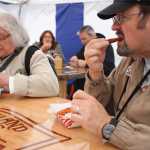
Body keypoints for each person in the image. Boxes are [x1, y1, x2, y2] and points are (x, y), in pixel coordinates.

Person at [70, 0, 150, 150]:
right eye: (115, 19)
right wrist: (95, 71)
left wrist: (106, 125)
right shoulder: (130, 61)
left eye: (121, 18)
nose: (114, 27)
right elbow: (103, 102)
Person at [0, 12, 59, 97]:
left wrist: (9, 82)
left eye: (0, 37)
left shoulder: (30, 54)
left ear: (15, 34)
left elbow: (52, 85)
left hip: (26, 109)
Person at [67, 25, 115, 101]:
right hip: (85, 81)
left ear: (93, 35)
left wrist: (86, 64)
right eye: (81, 40)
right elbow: (78, 55)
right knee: (68, 87)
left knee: (72, 89)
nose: (82, 42)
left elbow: (109, 69)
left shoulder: (106, 46)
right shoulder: (87, 45)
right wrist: (75, 57)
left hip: (104, 86)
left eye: (84, 39)